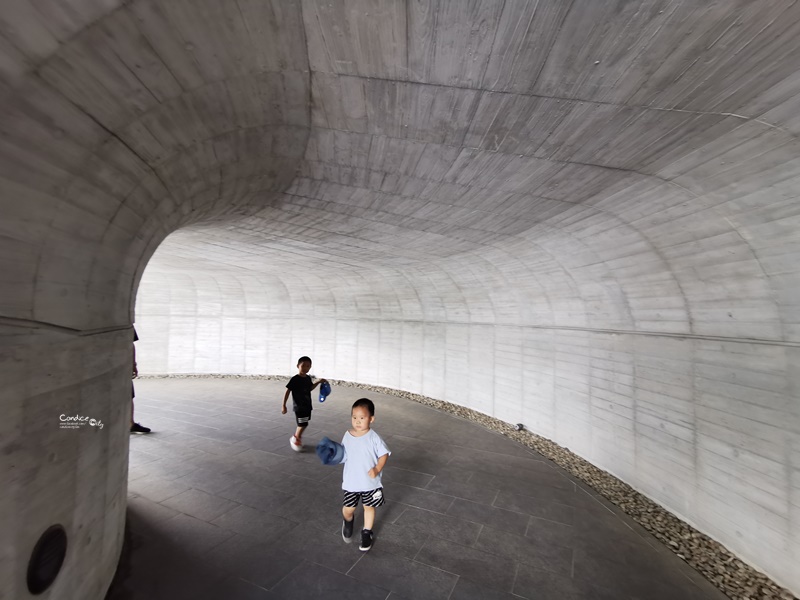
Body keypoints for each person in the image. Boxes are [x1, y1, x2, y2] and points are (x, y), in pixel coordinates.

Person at [340, 398, 391, 552]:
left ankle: (366, 532)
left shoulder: (374, 437)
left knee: (369, 507)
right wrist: (333, 455)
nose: (357, 421)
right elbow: (343, 455)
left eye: (362, 418)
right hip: (352, 482)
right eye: (354, 417)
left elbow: (384, 454)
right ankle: (348, 521)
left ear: (371, 419)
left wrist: (377, 468)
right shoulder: (347, 435)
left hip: (370, 482)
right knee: (349, 508)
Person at [282, 356, 326, 451]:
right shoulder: (295, 379)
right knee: (302, 424)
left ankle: (297, 437)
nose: (306, 368)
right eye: (303, 366)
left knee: (305, 423)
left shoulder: (307, 378)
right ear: (298, 366)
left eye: (308, 366)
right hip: (299, 406)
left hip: (307, 405)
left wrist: (318, 382)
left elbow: (310, 388)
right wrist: (284, 405)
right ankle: (295, 438)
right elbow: (287, 391)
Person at [130, 327, 151, 434]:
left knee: (128, 395)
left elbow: (130, 344)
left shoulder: (125, 323)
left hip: (121, 365)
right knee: (127, 395)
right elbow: (131, 344)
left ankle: (131, 424)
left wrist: (133, 364)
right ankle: (130, 424)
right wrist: (133, 365)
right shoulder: (124, 321)